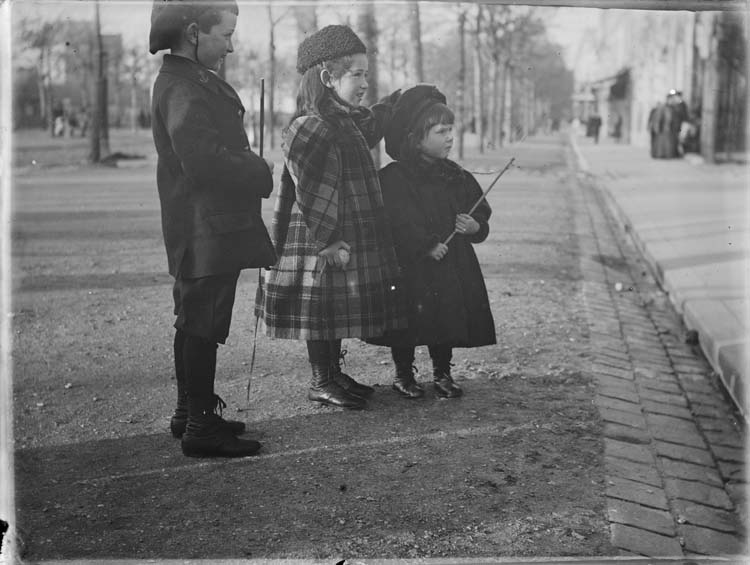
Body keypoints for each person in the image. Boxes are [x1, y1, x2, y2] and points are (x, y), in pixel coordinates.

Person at [149, 0, 276, 457]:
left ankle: (190, 412)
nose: (232, 46)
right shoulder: (181, 86)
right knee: (203, 322)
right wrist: (257, 170)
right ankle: (201, 427)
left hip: (203, 223)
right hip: (206, 226)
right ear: (193, 32)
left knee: (193, 318)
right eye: (225, 35)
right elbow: (202, 162)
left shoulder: (186, 80)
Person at [255, 25, 404, 410]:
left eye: (366, 74)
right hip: (318, 232)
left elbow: (372, 122)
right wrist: (327, 240)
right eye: (357, 74)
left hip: (338, 228)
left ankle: (333, 373)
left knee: (333, 303)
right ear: (327, 78)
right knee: (320, 305)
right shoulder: (311, 125)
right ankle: (320, 379)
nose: (365, 83)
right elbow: (308, 191)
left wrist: (401, 101)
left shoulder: (343, 120)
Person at [372, 84, 496, 399]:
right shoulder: (395, 178)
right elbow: (398, 220)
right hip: (412, 266)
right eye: (441, 131)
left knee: (446, 317)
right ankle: (404, 373)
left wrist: (473, 226)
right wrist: (426, 243)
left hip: (450, 264)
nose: (450, 138)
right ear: (415, 138)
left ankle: (443, 371)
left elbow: (479, 210)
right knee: (408, 322)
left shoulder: (455, 176)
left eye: (451, 130)